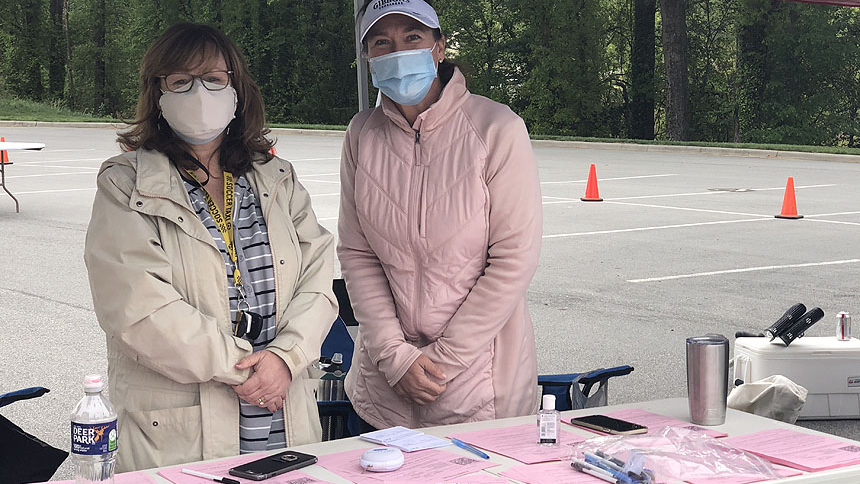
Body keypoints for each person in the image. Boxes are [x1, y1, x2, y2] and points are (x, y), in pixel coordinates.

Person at [84, 23, 337, 471]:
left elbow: (318, 278)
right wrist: (251, 367)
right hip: (184, 429)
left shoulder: (276, 177)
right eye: (180, 81)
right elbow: (138, 309)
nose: (198, 92)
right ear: (157, 95)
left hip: (283, 408)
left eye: (214, 79)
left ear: (237, 89)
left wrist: (286, 357)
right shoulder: (125, 183)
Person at [338, 0, 543, 429]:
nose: (397, 53)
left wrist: (441, 361)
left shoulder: (497, 128)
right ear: (367, 57)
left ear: (439, 47)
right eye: (382, 43)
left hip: (480, 387)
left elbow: (512, 260)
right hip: (384, 390)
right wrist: (395, 357)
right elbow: (358, 254)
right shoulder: (361, 135)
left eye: (412, 37)